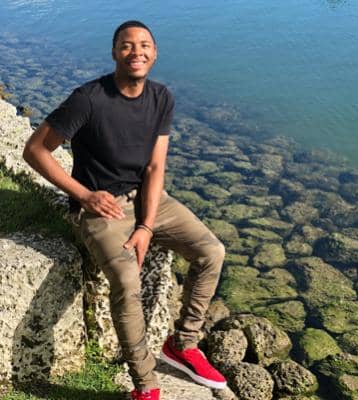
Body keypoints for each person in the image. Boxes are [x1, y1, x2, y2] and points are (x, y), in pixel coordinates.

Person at [23, 20, 227, 400]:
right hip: (102, 210)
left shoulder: (161, 98)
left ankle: (183, 344)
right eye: (128, 45)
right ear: (115, 52)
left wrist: (146, 226)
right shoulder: (88, 99)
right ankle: (146, 385)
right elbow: (35, 150)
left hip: (148, 199)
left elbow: (155, 168)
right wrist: (84, 195)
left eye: (145, 45)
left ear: (155, 53)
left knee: (212, 251)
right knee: (128, 281)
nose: (137, 52)